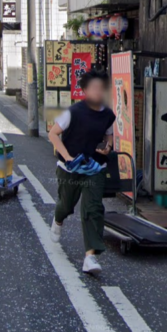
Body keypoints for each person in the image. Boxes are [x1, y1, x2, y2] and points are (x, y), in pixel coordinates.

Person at [47, 69, 115, 274]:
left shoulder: (108, 114)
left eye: (101, 88)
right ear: (84, 90)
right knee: (66, 204)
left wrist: (108, 146)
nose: (98, 91)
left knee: (93, 208)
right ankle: (58, 220)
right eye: (93, 87)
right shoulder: (73, 112)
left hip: (95, 167)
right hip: (70, 167)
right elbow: (53, 134)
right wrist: (67, 157)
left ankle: (90, 257)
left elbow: (109, 135)